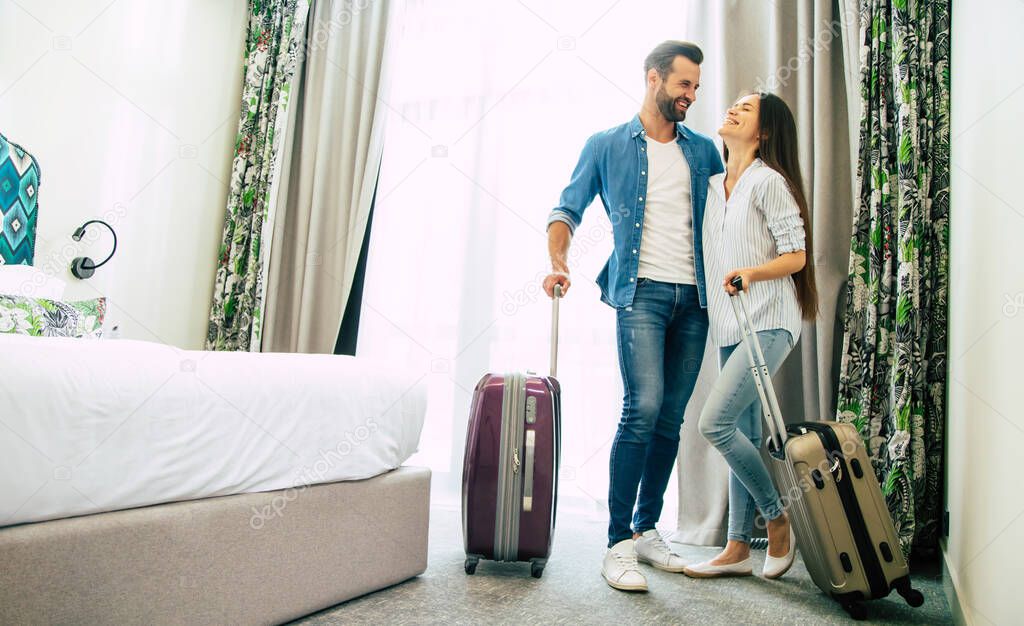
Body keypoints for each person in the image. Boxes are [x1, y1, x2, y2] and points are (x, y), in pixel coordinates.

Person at [543, 40, 724, 592]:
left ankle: (647, 529)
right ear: (654, 79)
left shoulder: (704, 154)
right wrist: (558, 262)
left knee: (671, 418)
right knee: (642, 409)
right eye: (683, 84)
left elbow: (727, 220)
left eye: (696, 86)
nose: (691, 95)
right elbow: (565, 210)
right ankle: (617, 542)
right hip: (640, 295)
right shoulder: (606, 145)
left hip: (695, 299)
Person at [682, 92, 818, 579]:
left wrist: (753, 273)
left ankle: (777, 518)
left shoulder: (769, 182)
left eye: (747, 108)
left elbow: (796, 255)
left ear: (763, 132)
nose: (733, 109)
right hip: (728, 322)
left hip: (769, 320)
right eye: (733, 103)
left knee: (714, 424)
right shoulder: (716, 184)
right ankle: (738, 547)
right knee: (743, 432)